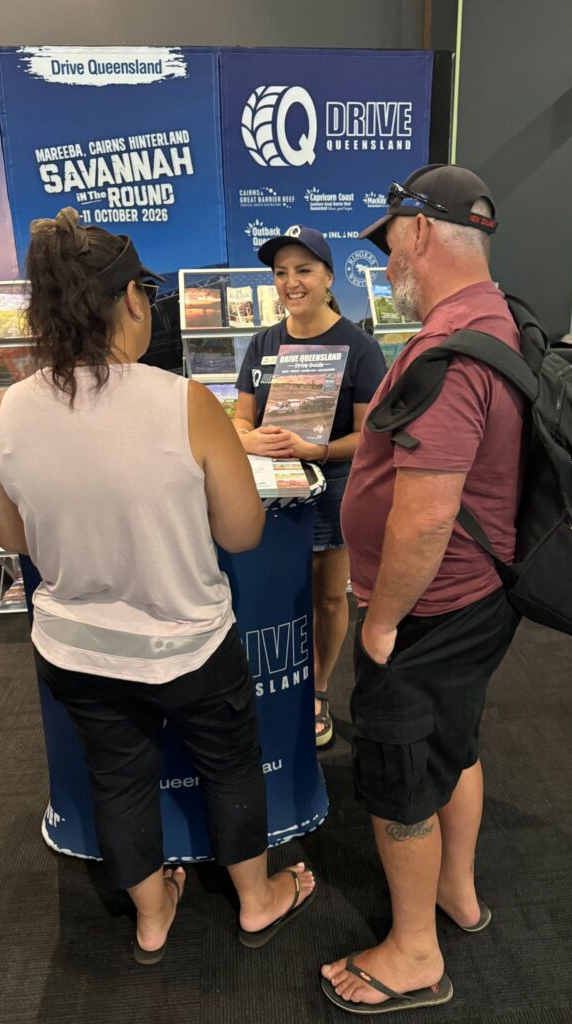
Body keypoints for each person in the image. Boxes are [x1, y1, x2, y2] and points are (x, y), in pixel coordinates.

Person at [0, 208, 315, 965]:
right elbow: (241, 533)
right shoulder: (182, 401)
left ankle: (153, 916)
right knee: (230, 763)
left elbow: (10, 538)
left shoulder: (10, 411)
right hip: (190, 643)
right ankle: (257, 900)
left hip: (77, 648)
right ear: (133, 299)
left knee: (118, 777)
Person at [320, 165, 526, 1012]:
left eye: (389, 243)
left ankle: (414, 954)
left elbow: (422, 521)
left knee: (403, 771)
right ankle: (458, 896)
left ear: (420, 233)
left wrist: (379, 626)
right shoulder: (493, 319)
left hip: (429, 608)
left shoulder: (444, 353)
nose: (386, 263)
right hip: (480, 597)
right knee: (455, 744)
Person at [234, 226, 386, 747]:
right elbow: (239, 420)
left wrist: (315, 451)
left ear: (328, 276)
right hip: (272, 492)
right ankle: (275, 685)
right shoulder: (262, 343)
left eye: (303, 270)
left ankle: (317, 690)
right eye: (281, 273)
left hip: (335, 488)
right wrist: (253, 440)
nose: (290, 283)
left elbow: (368, 437)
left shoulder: (360, 348)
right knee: (273, 592)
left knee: (325, 597)